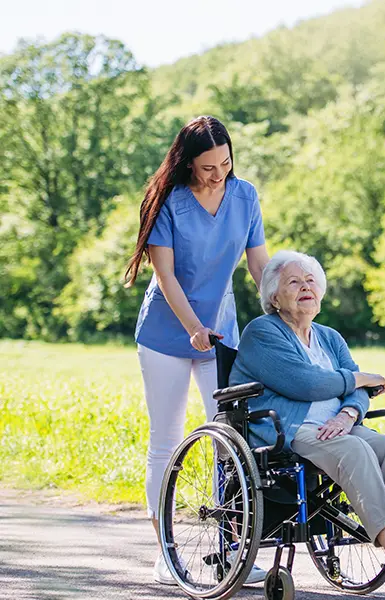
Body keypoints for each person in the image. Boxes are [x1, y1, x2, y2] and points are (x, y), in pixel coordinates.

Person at [229, 250, 385, 598]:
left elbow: (359, 393)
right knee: (354, 448)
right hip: (290, 430)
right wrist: (360, 378)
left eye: (311, 280)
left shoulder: (329, 336)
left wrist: (349, 413)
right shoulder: (262, 333)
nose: (305, 287)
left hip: (337, 425)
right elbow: (307, 384)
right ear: (274, 297)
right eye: (293, 282)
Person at [125, 116, 269, 585]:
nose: (218, 174)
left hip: (221, 335)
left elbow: (259, 264)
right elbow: (165, 276)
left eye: (225, 163)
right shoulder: (168, 201)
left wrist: (283, 305)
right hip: (168, 334)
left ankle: (232, 553)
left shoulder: (244, 195)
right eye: (208, 167)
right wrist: (193, 327)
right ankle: (166, 552)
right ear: (188, 163)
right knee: (166, 442)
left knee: (232, 443)